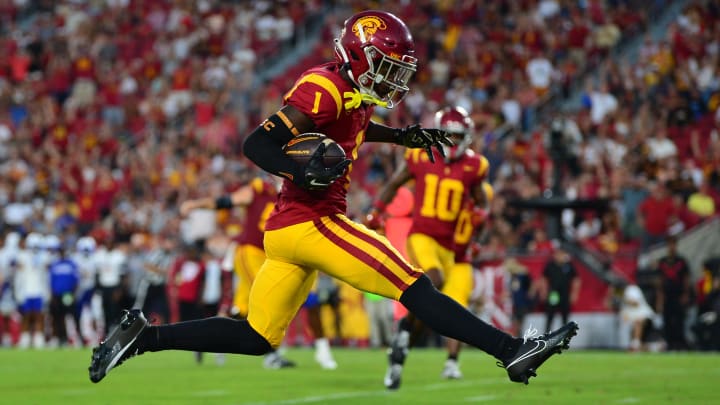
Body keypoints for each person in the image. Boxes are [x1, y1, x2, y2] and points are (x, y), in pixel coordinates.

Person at [88, 10, 578, 386]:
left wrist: (401, 137)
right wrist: (296, 167)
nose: (393, 80)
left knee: (258, 336)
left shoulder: (349, 92)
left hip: (287, 231)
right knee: (414, 285)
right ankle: (512, 349)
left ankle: (144, 337)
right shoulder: (323, 87)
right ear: (361, 56)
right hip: (315, 222)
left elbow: (353, 124)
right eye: (386, 67)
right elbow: (256, 144)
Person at [368, 106, 490, 388]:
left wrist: (479, 234)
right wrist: (377, 211)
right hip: (423, 236)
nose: (454, 143)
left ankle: (416, 346)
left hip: (456, 249)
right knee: (432, 280)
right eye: (449, 137)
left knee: (454, 308)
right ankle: (406, 334)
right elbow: (394, 182)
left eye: (458, 137)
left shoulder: (475, 167)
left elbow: (482, 204)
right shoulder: (420, 156)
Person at [179, 175, 337, 370]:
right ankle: (273, 356)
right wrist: (195, 205)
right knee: (271, 299)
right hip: (252, 252)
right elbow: (226, 201)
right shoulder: (260, 189)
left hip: (281, 255)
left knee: (241, 311)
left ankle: (204, 338)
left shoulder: (303, 192)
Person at [654, 235, 691, 350]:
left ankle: (679, 343)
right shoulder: (662, 262)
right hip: (667, 295)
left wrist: (686, 293)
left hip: (678, 294)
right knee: (667, 320)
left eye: (673, 244)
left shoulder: (681, 261)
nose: (671, 247)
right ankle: (669, 343)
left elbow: (686, 279)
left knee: (679, 320)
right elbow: (659, 280)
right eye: (669, 244)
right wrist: (659, 298)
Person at [541, 247, 581, 333]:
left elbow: (576, 279)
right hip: (553, 294)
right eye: (558, 254)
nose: (560, 256)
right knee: (550, 315)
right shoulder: (550, 265)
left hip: (565, 293)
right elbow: (544, 278)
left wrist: (574, 293)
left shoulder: (568, 265)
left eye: (561, 254)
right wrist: (544, 291)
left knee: (565, 316)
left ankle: (564, 336)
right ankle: (546, 336)